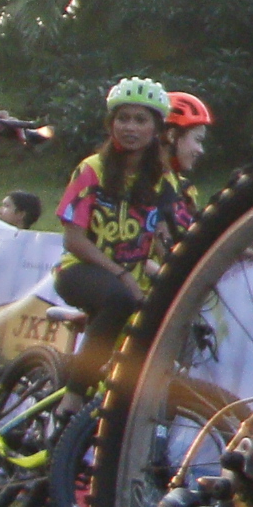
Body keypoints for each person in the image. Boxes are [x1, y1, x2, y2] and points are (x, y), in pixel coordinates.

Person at [56, 80, 196, 364]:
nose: (130, 127)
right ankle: (75, 391)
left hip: (133, 280)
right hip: (80, 271)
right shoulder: (91, 169)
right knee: (120, 299)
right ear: (111, 124)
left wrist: (238, 243)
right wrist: (122, 275)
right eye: (123, 118)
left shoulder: (164, 180)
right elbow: (73, 240)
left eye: (140, 120)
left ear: (157, 129)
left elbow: (178, 236)